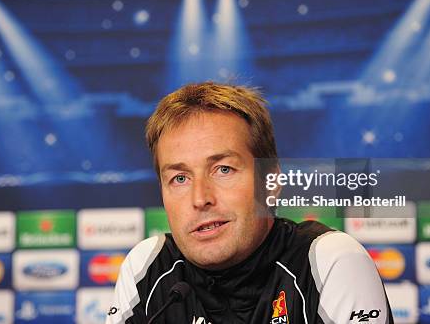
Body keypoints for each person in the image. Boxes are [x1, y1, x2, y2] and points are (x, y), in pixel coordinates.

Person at [106, 82, 392, 324]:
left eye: (223, 170)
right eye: (180, 178)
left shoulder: (329, 260)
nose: (200, 198)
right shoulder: (148, 267)